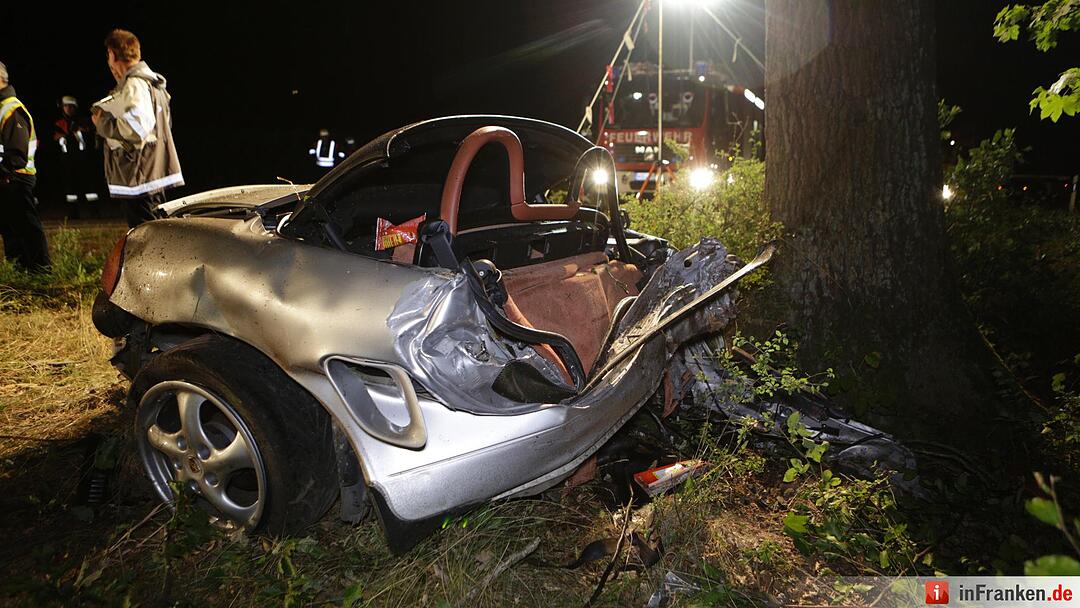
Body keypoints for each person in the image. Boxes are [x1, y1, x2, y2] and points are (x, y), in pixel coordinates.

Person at [91, 29, 183, 227]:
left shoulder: (135, 84)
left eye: (108, 56)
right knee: (157, 234)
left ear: (113, 54)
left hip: (141, 177)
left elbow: (138, 128)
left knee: (146, 236)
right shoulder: (153, 84)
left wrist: (102, 123)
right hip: (150, 174)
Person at [0, 60, 51, 272]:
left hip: (17, 177)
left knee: (27, 227)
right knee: (10, 229)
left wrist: (5, 172)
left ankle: (41, 269)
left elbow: (17, 154)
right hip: (7, 177)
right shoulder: (3, 108)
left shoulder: (11, 109)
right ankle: (20, 270)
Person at [53, 95, 100, 219]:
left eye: (71, 106)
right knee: (70, 186)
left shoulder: (84, 121)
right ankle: (72, 212)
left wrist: (78, 132)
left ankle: (94, 211)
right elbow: (55, 138)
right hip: (67, 159)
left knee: (89, 185)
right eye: (66, 106)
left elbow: (91, 136)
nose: (68, 109)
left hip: (84, 158)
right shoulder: (58, 122)